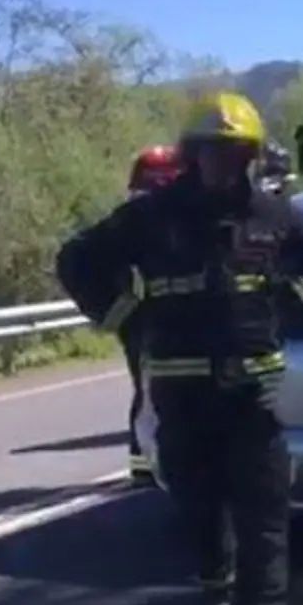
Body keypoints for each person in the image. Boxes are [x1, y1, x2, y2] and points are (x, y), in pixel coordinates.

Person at [55, 91, 303, 605]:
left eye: (236, 151)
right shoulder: (151, 217)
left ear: (251, 156)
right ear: (194, 156)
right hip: (180, 390)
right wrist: (125, 318)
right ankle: (216, 581)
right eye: (214, 151)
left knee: (263, 509)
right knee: (198, 500)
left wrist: (296, 297)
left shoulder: (273, 215)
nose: (225, 162)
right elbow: (77, 260)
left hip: (252, 391)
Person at [121, 144, 181, 487]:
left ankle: (144, 464)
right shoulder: (147, 221)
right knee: (151, 389)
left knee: (144, 389)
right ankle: (147, 464)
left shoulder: (134, 217)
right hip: (148, 319)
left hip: (139, 319)